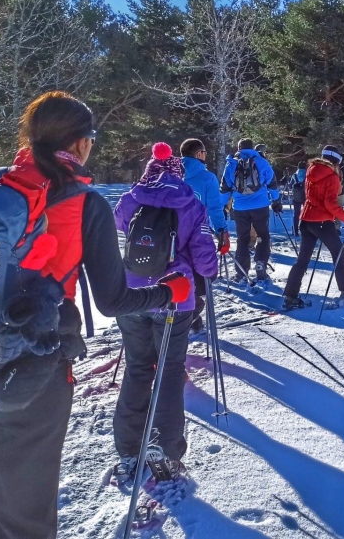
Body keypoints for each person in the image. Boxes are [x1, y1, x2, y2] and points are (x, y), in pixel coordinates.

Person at [0, 92, 188, 539]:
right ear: (80, 142)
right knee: (25, 516)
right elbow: (113, 300)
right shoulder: (84, 201)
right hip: (28, 368)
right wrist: (169, 292)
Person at [112, 143, 218, 483]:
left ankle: (128, 448)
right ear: (177, 172)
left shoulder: (131, 197)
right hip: (174, 296)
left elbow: (119, 224)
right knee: (170, 370)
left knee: (137, 367)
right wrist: (210, 271)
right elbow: (204, 259)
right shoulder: (190, 201)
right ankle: (165, 449)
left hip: (131, 296)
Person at [281, 145, 344, 311]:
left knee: (302, 260)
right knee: (338, 254)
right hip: (321, 222)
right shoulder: (332, 177)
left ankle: (290, 296)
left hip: (306, 220)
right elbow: (330, 204)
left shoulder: (311, 170)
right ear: (336, 161)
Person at [179, 138, 230, 334]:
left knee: (178, 274)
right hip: (198, 236)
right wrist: (222, 230)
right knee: (200, 276)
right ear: (199, 154)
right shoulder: (207, 177)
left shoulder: (172, 173)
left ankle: (188, 317)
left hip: (172, 235)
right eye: (205, 153)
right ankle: (190, 315)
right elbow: (215, 208)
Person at [221, 140, 282, 284]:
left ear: (239, 148)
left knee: (243, 238)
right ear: (252, 148)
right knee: (263, 236)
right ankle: (261, 263)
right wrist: (276, 201)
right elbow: (272, 184)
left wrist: (223, 206)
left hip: (240, 208)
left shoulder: (231, 164)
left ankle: (241, 272)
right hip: (260, 206)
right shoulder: (262, 162)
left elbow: (224, 188)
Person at [288, 160, 308, 235]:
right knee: (306, 213)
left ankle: (295, 230)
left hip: (296, 197)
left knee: (296, 214)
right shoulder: (307, 175)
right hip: (305, 197)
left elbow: (290, 186)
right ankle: (305, 229)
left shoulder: (295, 175)